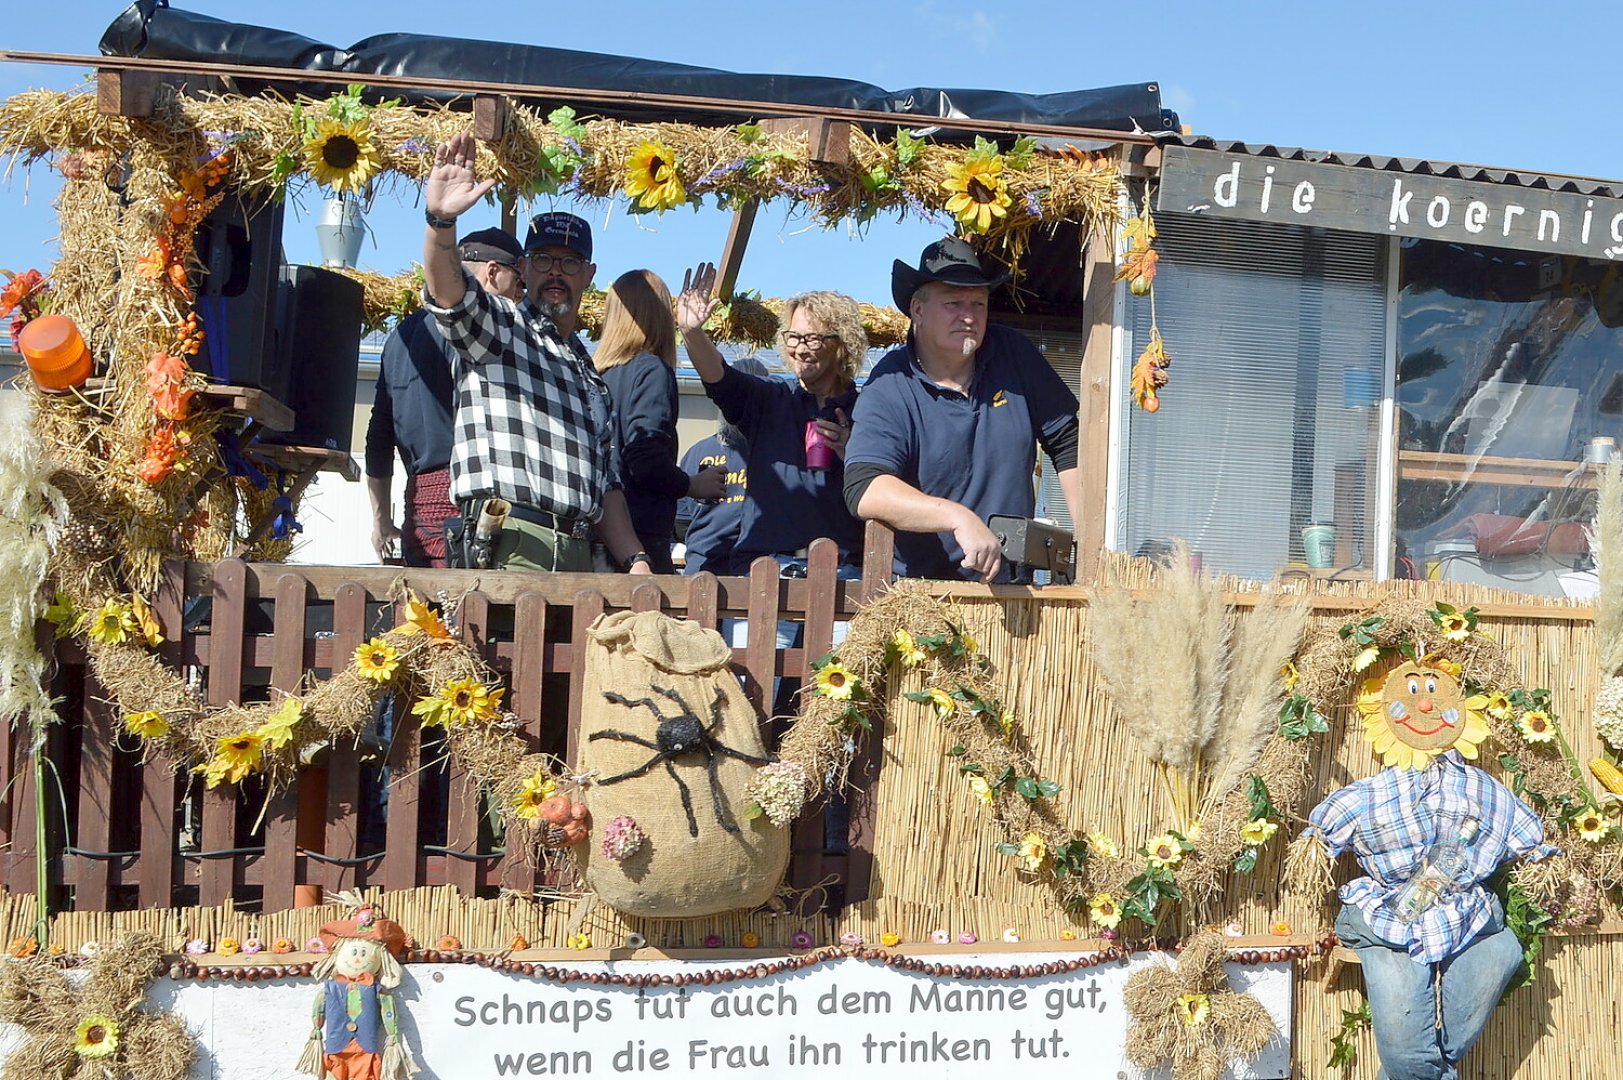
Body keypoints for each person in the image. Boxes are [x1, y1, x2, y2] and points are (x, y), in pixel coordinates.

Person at [419, 131, 650, 574]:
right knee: (505, 646)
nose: (556, 272)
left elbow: (607, 488)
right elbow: (449, 293)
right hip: (509, 540)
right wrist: (440, 222)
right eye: (543, 260)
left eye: (570, 262)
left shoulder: (590, 376)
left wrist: (636, 560)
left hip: (578, 551)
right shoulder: (500, 328)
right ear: (522, 268)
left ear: (589, 275)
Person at [844, 236, 1082, 582]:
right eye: (954, 303)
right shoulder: (890, 383)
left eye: (979, 304)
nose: (969, 316)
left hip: (1013, 593)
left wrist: (1090, 539)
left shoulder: (1014, 354)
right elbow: (865, 489)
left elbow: (1068, 442)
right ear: (918, 310)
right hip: (922, 598)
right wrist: (957, 517)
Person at [676, 263, 865, 578]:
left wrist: (853, 452)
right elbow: (719, 378)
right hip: (766, 569)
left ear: (841, 344)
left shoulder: (866, 409)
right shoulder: (769, 399)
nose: (799, 349)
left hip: (843, 573)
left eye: (812, 339)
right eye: (793, 337)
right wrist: (692, 333)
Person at [364, 226, 524, 567]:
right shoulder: (488, 339)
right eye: (519, 284)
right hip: (477, 505)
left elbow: (378, 438)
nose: (519, 298)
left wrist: (380, 519)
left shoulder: (400, 337)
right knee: (479, 616)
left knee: (429, 618)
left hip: (418, 507)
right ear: (493, 273)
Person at [592, 269, 727, 574]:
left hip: (597, 532)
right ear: (661, 315)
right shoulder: (651, 370)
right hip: (639, 539)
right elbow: (645, 458)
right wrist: (690, 484)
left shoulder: (595, 374)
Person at [676, 356, 769, 575]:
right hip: (754, 574)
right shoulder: (779, 454)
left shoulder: (697, 452)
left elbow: (681, 523)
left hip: (703, 569)